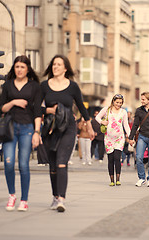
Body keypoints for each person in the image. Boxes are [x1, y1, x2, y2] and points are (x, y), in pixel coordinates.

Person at [41, 54, 94, 212]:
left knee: (62, 162)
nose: (55, 67)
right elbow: (35, 107)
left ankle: (61, 200)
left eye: (59, 64)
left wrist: (90, 127)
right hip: (50, 129)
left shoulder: (72, 86)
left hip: (68, 128)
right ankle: (55, 196)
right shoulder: (44, 86)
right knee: (53, 166)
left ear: (65, 68)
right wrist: (49, 110)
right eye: (53, 64)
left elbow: (82, 108)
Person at [0, 55, 42, 212]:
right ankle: (12, 195)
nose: (19, 69)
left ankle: (24, 200)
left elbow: (38, 112)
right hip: (10, 128)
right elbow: (1, 108)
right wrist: (13, 102)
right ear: (14, 68)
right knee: (8, 163)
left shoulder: (35, 87)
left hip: (27, 129)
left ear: (28, 69)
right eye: (17, 67)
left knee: (23, 164)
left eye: (22, 67)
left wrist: (37, 132)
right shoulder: (8, 86)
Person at [96, 94, 131, 186]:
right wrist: (102, 122)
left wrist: (130, 136)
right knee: (110, 159)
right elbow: (97, 117)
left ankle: (118, 179)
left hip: (119, 138)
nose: (119, 104)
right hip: (108, 139)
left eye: (120, 103)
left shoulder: (123, 112)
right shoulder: (107, 110)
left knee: (117, 158)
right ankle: (111, 180)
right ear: (113, 101)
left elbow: (126, 125)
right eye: (117, 102)